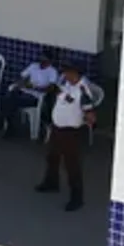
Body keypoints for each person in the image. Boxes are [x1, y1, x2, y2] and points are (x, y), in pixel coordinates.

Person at [36, 63, 98, 211]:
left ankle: (77, 198)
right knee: (52, 156)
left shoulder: (83, 90)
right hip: (58, 128)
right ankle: (51, 183)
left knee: (72, 165)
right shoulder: (65, 82)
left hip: (71, 132)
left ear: (75, 74)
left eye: (67, 73)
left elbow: (90, 114)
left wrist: (87, 122)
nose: (65, 75)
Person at [0, 49, 58, 138]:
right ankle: (8, 124)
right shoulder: (33, 66)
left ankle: (5, 123)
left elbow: (51, 88)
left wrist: (35, 88)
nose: (41, 62)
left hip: (35, 97)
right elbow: (22, 76)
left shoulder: (52, 71)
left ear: (50, 61)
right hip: (24, 91)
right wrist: (20, 83)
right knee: (9, 96)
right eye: (41, 59)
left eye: (45, 60)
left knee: (10, 101)